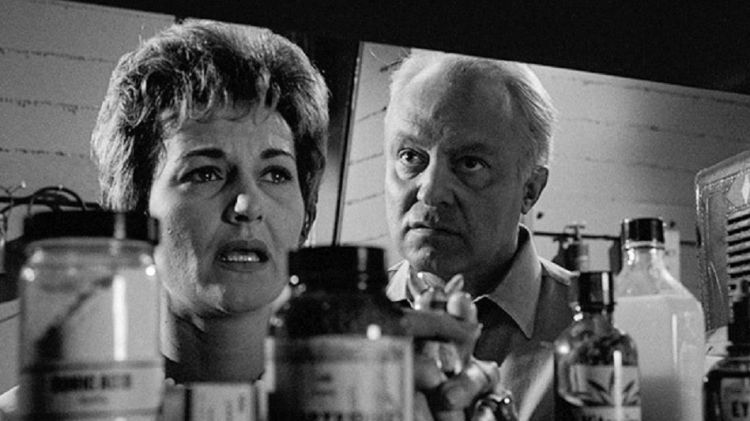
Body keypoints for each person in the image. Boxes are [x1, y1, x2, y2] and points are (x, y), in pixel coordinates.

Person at [85, 20, 497, 420]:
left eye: (275, 174)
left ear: (305, 209)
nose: (247, 205)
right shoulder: (68, 402)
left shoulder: (373, 399)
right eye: (205, 173)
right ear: (136, 209)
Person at [383, 51, 575, 421]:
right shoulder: (336, 331)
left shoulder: (599, 335)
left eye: (470, 163)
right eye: (410, 156)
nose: (431, 191)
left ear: (531, 189)